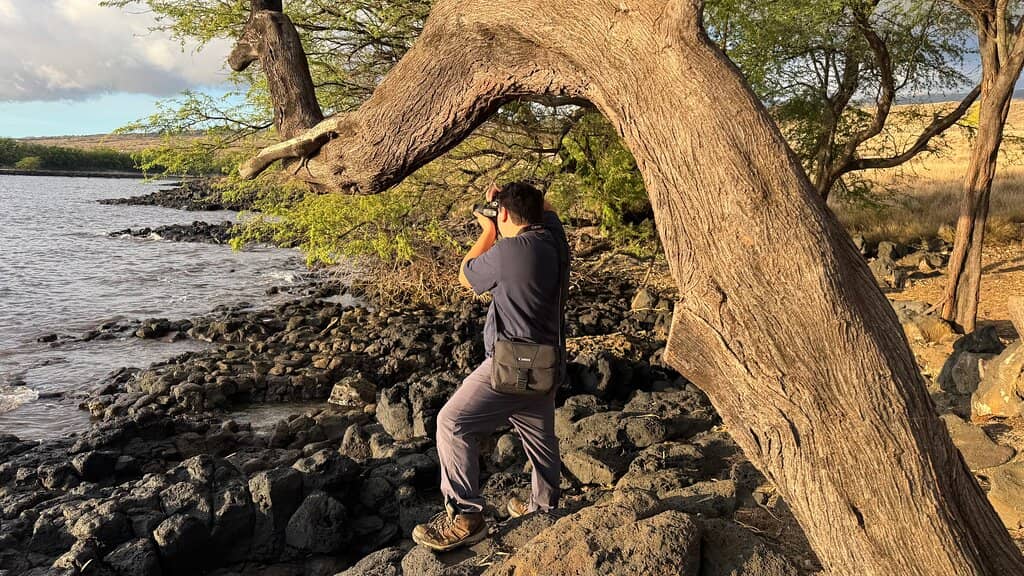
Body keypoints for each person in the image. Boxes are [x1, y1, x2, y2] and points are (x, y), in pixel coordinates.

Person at [411, 181, 569, 552]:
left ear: (504, 215)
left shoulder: (507, 251)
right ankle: (544, 508)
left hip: (509, 367)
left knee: (451, 423)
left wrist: (487, 230)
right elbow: (548, 209)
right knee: (540, 441)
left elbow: (466, 275)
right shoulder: (555, 241)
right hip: (547, 363)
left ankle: (466, 517)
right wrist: (504, 202)